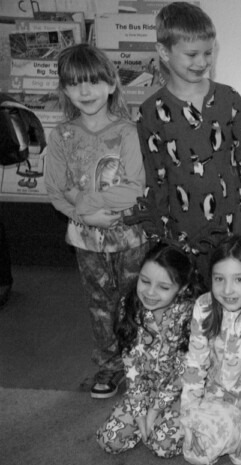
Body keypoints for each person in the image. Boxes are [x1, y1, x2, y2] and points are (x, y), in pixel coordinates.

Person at [134, 2, 241, 286]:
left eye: (208, 53)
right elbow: (154, 176)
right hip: (182, 234)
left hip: (234, 226)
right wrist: (158, 233)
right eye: (192, 54)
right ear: (164, 52)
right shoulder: (150, 111)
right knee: (191, 304)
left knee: (237, 298)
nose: (202, 62)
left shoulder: (229, 100)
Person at [45, 43, 148, 399]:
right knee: (100, 304)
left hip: (131, 236)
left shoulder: (128, 132)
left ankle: (142, 361)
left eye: (92, 82)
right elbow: (57, 191)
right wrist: (83, 214)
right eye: (74, 84)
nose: (84, 92)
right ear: (65, 90)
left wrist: (86, 201)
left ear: (111, 84)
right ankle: (109, 365)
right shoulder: (61, 136)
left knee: (136, 299)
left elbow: (136, 189)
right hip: (86, 240)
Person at [180, 235, 241, 465]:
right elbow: (195, 361)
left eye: (239, 279)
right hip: (217, 391)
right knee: (196, 453)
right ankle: (222, 424)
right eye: (219, 279)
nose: (227, 289)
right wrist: (189, 409)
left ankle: (240, 427)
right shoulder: (203, 306)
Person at [96, 244, 198, 457]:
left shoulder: (192, 315)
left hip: (182, 391)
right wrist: (138, 409)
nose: (150, 292)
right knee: (110, 440)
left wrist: (154, 411)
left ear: (181, 288)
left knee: (163, 446)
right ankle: (148, 418)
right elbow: (131, 364)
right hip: (146, 387)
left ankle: (177, 421)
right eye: (144, 281)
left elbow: (184, 372)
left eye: (163, 287)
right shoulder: (129, 304)